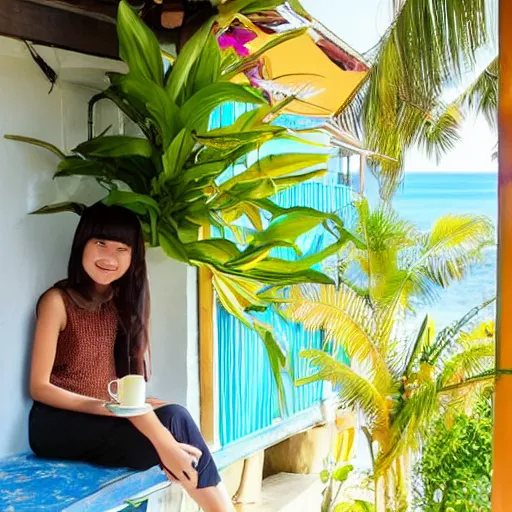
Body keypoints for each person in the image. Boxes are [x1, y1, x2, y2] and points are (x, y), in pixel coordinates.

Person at [28, 202, 233, 512]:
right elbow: (39, 387)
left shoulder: (120, 304)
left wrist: (137, 408)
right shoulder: (57, 301)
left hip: (101, 418)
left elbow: (121, 389)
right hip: (56, 427)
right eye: (100, 244)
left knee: (173, 414)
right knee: (170, 431)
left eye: (122, 248)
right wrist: (118, 411)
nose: (110, 258)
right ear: (82, 244)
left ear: (134, 256)